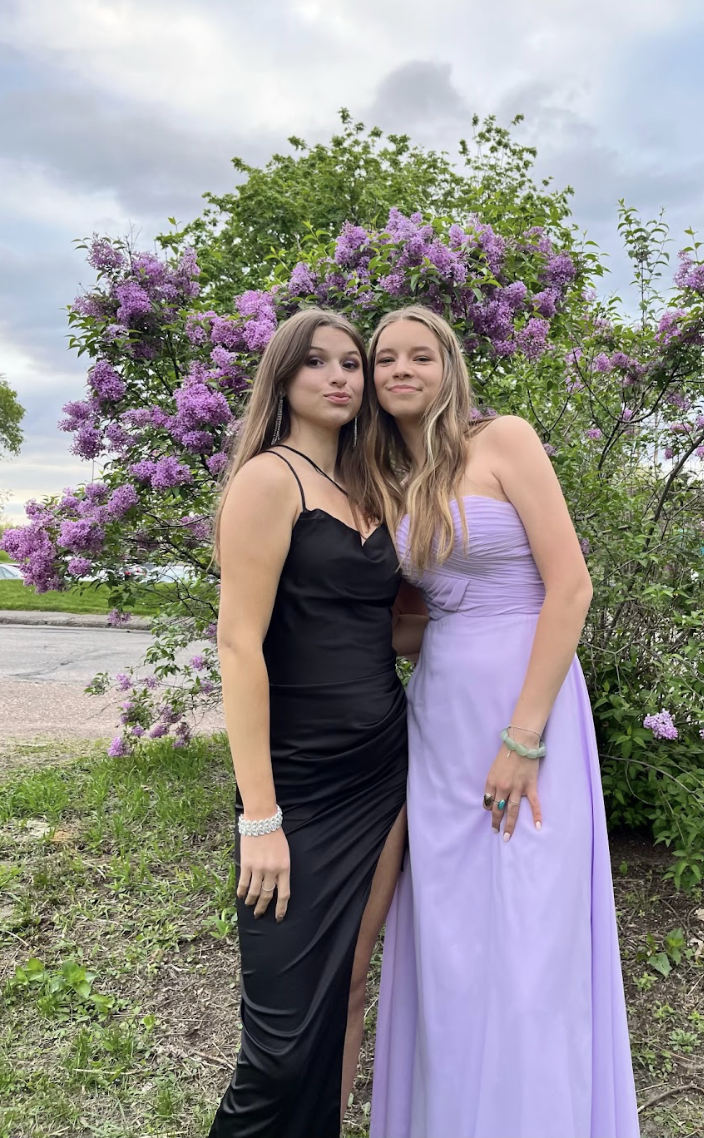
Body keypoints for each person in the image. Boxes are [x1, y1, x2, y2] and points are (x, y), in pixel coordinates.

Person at [365, 306, 641, 1138]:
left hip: (527, 708)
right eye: (384, 359)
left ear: (449, 366)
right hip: (442, 714)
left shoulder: (505, 440)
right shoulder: (389, 478)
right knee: (451, 930)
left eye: (420, 355)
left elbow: (571, 586)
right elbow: (416, 623)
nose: (400, 369)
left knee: (528, 924)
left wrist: (525, 739)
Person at [209, 309, 415, 1138]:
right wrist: (261, 816)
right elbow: (237, 645)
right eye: (318, 363)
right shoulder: (270, 478)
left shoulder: (369, 486)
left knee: (352, 988)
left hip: (382, 771)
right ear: (285, 378)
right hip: (295, 783)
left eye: (353, 364)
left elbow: (385, 626)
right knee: (282, 1044)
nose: (341, 377)